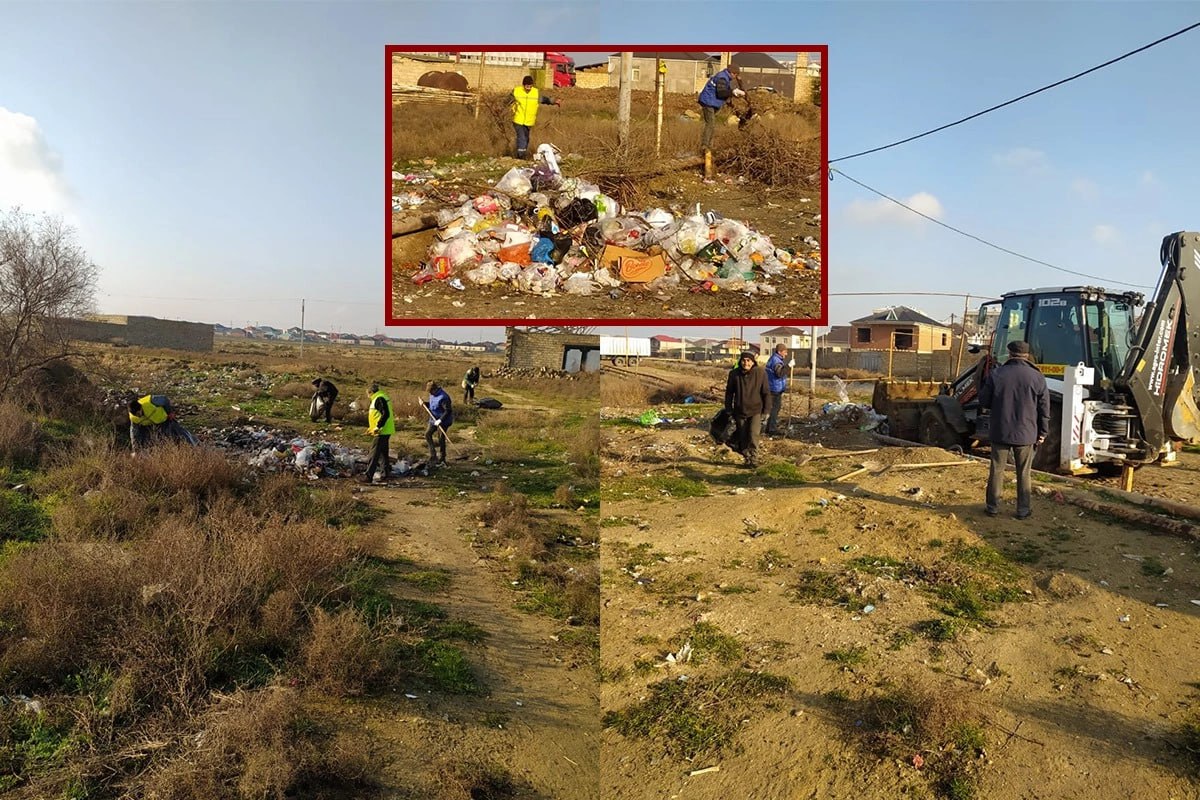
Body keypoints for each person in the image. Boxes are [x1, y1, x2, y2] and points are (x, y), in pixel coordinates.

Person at [978, 340, 1051, 519]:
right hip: (1026, 434)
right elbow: (1044, 408)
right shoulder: (1037, 377)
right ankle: (1023, 510)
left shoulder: (996, 374)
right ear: (1027, 355)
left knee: (996, 469)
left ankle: (992, 507)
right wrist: (1043, 432)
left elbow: (984, 402)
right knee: (1024, 472)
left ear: (1010, 354)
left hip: (1000, 431)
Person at [724, 350, 770, 467]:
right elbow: (729, 393)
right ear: (740, 361)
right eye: (744, 360)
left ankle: (754, 459)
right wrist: (728, 409)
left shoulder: (760, 373)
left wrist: (766, 411)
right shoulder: (734, 374)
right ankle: (747, 458)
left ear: (753, 362)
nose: (746, 363)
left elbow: (766, 393)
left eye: (748, 360)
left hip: (755, 410)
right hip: (740, 410)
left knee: (753, 435)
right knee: (743, 435)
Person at [697, 63, 745, 151]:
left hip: (712, 102)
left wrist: (732, 96)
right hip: (708, 101)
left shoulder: (725, 77)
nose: (736, 77)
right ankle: (705, 146)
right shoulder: (722, 78)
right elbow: (721, 93)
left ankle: (708, 146)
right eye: (736, 74)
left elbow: (725, 92)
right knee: (710, 123)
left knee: (712, 124)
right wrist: (733, 92)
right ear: (732, 73)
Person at [127, 394, 198, 453]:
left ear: (140, 407)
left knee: (179, 435)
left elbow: (164, 400)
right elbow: (134, 433)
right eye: (136, 415)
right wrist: (135, 450)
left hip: (165, 421)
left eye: (139, 413)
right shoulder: (134, 418)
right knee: (151, 444)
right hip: (150, 428)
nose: (138, 416)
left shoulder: (151, 401)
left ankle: (194, 448)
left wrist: (169, 412)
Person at [511, 75, 560, 160]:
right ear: (523, 85)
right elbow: (507, 100)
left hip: (529, 121)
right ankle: (520, 157)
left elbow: (544, 100)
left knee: (526, 138)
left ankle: (521, 154)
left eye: (530, 86)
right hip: (518, 118)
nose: (528, 88)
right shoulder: (517, 91)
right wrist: (498, 107)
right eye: (527, 86)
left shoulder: (535, 93)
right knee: (521, 137)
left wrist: (554, 101)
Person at [362, 381, 394, 483]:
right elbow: (377, 415)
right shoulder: (381, 397)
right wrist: (371, 428)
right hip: (384, 430)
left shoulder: (379, 398)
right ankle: (385, 474)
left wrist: (378, 426)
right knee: (383, 454)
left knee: (374, 454)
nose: (367, 396)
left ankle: (368, 476)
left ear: (370, 392)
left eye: (367, 393)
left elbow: (385, 414)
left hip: (381, 431)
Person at [422, 380, 454, 467]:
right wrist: (425, 404)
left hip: (444, 421)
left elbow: (448, 410)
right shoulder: (432, 394)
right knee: (427, 434)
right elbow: (433, 405)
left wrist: (440, 420)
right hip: (433, 419)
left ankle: (442, 458)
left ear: (435, 389)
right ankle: (433, 455)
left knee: (441, 439)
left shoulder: (444, 397)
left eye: (431, 392)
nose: (430, 394)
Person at [764, 344, 790, 436]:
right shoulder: (776, 361)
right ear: (779, 352)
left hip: (773, 387)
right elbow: (779, 373)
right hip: (774, 389)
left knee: (774, 408)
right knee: (774, 409)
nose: (786, 354)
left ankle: (769, 427)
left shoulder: (775, 359)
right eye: (785, 352)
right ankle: (771, 428)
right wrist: (788, 366)